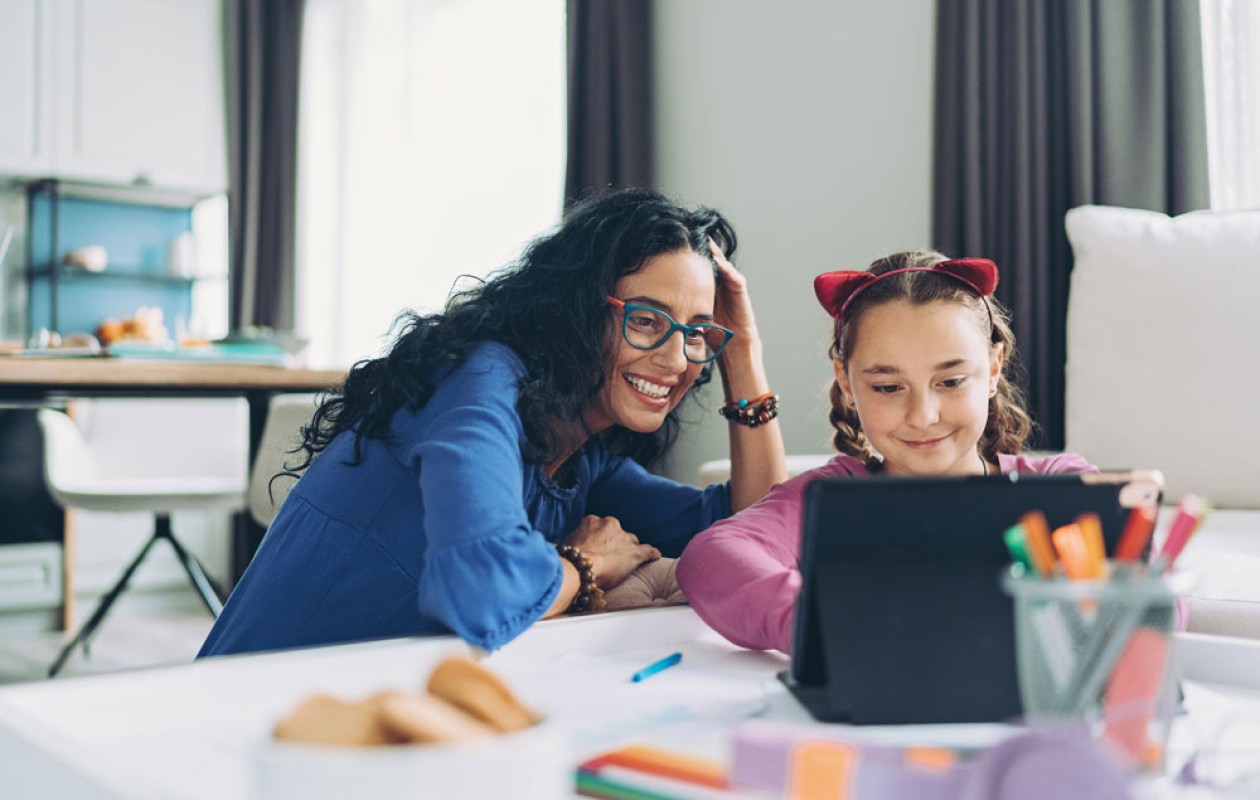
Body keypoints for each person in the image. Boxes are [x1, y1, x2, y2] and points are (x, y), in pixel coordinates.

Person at [199, 188, 787, 657]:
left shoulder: (580, 454)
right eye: (647, 319)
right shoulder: (478, 384)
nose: (677, 357)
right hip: (243, 727)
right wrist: (586, 566)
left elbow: (751, 531)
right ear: (577, 309)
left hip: (381, 731)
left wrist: (744, 354)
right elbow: (479, 592)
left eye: (697, 333)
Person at [676, 250, 1096, 654]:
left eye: (950, 382)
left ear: (993, 369)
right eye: (888, 388)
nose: (923, 416)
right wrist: (831, 622)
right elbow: (711, 559)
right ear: (846, 382)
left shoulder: (1057, 484)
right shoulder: (829, 502)